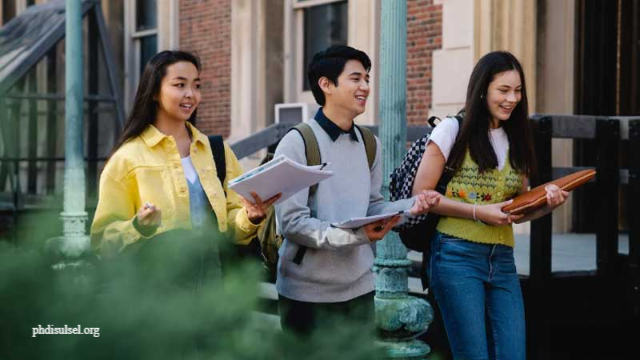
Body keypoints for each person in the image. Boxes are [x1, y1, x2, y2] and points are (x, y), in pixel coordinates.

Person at [412, 51, 569, 360]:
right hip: (455, 255)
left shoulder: (519, 137)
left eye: (518, 90)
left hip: (503, 259)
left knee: (513, 353)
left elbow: (516, 210)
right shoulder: (451, 130)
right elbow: (422, 194)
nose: (512, 98)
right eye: (504, 90)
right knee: (473, 355)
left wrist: (547, 204)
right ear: (483, 90)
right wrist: (477, 211)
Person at [274, 45, 440, 334]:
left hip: (360, 289)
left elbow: (372, 207)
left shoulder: (369, 142)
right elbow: (292, 223)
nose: (365, 86)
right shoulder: (296, 143)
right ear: (326, 84)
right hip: (305, 293)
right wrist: (355, 236)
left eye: (367, 78)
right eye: (356, 78)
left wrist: (410, 206)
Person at [91, 50, 279, 283]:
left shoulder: (217, 151)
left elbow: (231, 228)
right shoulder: (127, 158)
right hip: (158, 295)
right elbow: (103, 242)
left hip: (217, 291)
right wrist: (138, 226)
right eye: (179, 85)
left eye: (196, 85)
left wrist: (250, 216)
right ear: (154, 93)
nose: (191, 94)